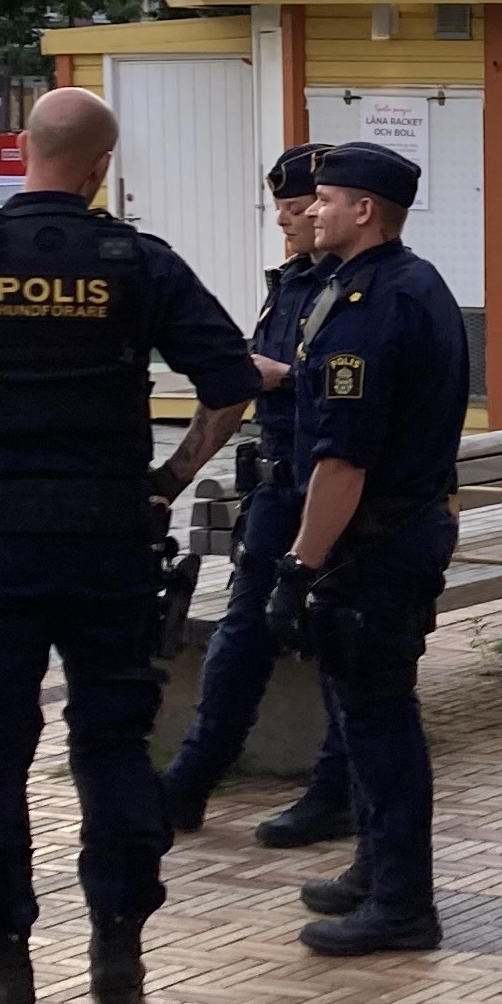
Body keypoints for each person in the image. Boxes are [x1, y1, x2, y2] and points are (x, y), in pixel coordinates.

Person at [0, 88, 269, 1004]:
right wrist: (167, 480)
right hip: (111, 539)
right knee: (112, 743)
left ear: (24, 156)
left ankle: (2, 967)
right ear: (99, 170)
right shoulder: (139, 262)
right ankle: (118, 954)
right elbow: (233, 383)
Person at [267, 140, 473, 956]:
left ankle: (402, 903)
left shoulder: (372, 306)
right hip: (403, 530)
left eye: (323, 199)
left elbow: (344, 460)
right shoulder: (399, 284)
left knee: (380, 717)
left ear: (362, 210)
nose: (309, 211)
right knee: (364, 716)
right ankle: (375, 868)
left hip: (377, 544)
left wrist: (298, 566)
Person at [155, 147, 360, 849]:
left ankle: (337, 788)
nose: (285, 219)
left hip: (336, 487)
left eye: (299, 207)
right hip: (275, 489)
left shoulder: (368, 291)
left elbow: (365, 398)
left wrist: (285, 378)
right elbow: (234, 392)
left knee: (339, 637)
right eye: (280, 206)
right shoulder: (292, 284)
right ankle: (191, 778)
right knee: (243, 634)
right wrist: (171, 480)